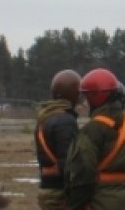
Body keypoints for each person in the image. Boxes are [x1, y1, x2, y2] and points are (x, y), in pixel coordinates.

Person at [66, 68, 125, 210]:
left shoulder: (90, 131)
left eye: (87, 98)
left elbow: (82, 176)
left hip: (99, 203)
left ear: (94, 97)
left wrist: (75, 205)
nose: (86, 103)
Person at [36, 70, 82, 210]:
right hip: (60, 194)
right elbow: (69, 163)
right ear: (73, 94)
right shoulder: (65, 122)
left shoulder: (46, 118)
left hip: (48, 189)